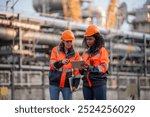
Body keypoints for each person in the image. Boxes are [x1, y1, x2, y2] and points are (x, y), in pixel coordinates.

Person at [79, 25, 109, 100]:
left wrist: (90, 67)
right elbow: (82, 71)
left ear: (96, 39)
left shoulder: (102, 50)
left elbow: (104, 67)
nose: (88, 41)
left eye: (90, 39)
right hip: (86, 84)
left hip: (98, 83)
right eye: (87, 39)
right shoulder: (85, 52)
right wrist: (80, 68)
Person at [49, 30, 81, 100]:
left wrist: (75, 84)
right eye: (67, 41)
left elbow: (77, 71)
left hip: (67, 84)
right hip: (55, 82)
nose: (69, 43)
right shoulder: (55, 50)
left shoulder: (76, 54)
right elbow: (52, 65)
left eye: (71, 41)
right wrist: (61, 62)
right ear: (63, 41)